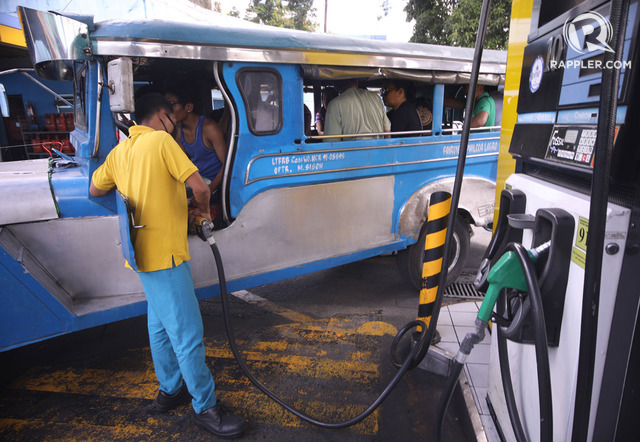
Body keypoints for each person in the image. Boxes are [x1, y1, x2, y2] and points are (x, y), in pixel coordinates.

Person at [89, 93, 247, 439]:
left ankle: (171, 389)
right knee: (187, 334)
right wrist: (203, 212)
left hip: (140, 254)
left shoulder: (119, 152)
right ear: (161, 116)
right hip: (167, 256)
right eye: (172, 118)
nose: (174, 124)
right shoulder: (161, 141)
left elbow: (95, 189)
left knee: (159, 328)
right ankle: (206, 407)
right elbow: (201, 187)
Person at [165, 86, 227, 220]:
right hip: (199, 182)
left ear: (188, 107)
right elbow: (184, 164)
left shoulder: (209, 128)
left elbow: (227, 165)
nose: (166, 110)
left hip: (217, 185)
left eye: (170, 104)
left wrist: (209, 190)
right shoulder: (179, 132)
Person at [323, 79, 391, 141]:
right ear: (356, 81)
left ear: (335, 84)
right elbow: (387, 132)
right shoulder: (376, 98)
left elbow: (331, 142)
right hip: (378, 150)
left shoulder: (335, 104)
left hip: (352, 152)